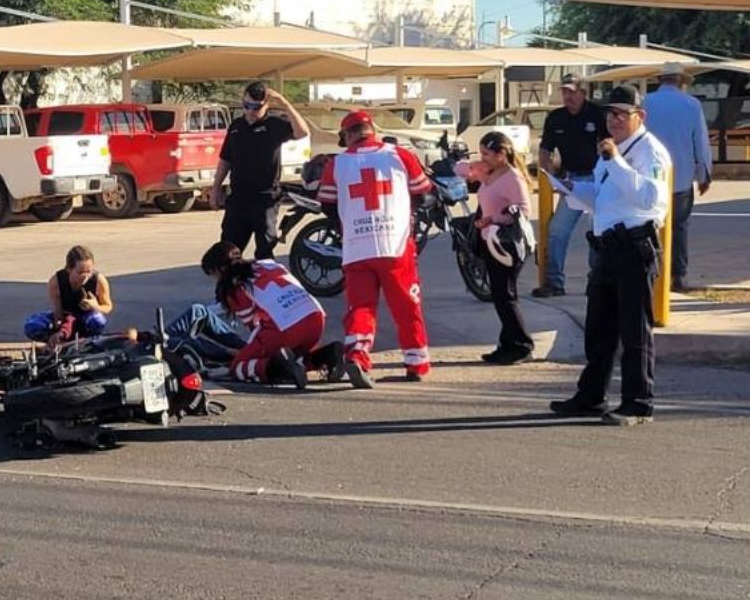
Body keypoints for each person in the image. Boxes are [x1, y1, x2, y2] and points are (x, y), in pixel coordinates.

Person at [550, 85, 671, 426]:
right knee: (599, 329)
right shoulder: (613, 150)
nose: (613, 120)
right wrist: (570, 187)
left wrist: (614, 162)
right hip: (606, 247)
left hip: (634, 248)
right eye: (609, 113)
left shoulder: (650, 152)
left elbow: (648, 196)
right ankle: (590, 396)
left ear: (640, 116)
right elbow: (603, 197)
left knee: (635, 331)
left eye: (621, 114)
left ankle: (638, 403)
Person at [317, 110, 433, 387]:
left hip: (356, 245)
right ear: (372, 129)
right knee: (406, 305)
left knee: (360, 306)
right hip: (395, 242)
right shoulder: (399, 155)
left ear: (348, 135)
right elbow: (424, 192)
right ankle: (416, 363)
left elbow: (327, 204)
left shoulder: (337, 163)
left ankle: (357, 355)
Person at [200, 241, 326, 390]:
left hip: (288, 327)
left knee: (239, 367)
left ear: (220, 269)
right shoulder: (268, 264)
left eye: (213, 275)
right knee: (294, 353)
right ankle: (326, 357)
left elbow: (256, 328)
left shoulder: (235, 286)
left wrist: (246, 352)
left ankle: (281, 368)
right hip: (316, 319)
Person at [455, 132, 536, 364]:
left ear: (503, 154)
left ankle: (521, 345)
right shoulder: (487, 171)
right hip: (491, 241)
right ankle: (507, 344)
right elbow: (460, 171)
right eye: (481, 153)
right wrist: (473, 164)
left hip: (508, 242)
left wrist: (493, 220)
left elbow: (522, 210)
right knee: (500, 295)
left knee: (505, 295)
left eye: (487, 154)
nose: (484, 158)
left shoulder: (512, 177)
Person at [210, 82, 310, 260]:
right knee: (228, 249)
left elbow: (302, 132)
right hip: (239, 197)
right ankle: (232, 285)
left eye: (256, 107)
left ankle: (265, 284)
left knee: (264, 249)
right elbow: (225, 159)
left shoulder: (274, 125)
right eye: (246, 105)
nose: (250, 111)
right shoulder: (236, 127)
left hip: (265, 198)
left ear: (266, 105)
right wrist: (216, 188)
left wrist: (285, 104)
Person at [534, 73, 608, 298]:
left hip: (596, 180)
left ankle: (597, 280)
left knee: (599, 231)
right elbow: (546, 150)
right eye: (564, 92)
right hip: (571, 181)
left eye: (572, 92)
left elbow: (609, 145)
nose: (568, 97)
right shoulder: (556, 117)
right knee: (557, 231)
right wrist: (548, 176)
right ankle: (554, 282)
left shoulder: (597, 114)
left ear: (583, 93)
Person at [643, 62, 713, 292]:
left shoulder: (645, 103)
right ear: (681, 81)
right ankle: (678, 275)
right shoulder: (692, 105)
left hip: (650, 176)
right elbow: (700, 143)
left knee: (650, 226)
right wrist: (704, 174)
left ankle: (653, 272)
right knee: (679, 227)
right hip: (681, 176)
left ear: (660, 80)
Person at [23, 245, 113, 345]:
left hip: (86, 318)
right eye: (80, 272)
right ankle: (54, 343)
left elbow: (108, 307)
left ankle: (89, 342)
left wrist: (95, 306)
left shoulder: (99, 281)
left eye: (89, 272)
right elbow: (58, 313)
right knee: (33, 325)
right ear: (69, 269)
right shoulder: (56, 282)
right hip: (66, 315)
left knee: (97, 320)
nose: (85, 277)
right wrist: (59, 328)